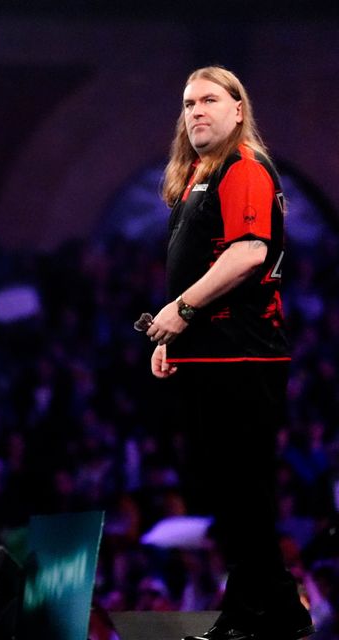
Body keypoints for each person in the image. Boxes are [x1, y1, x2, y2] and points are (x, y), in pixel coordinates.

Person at [144, 66, 314, 640]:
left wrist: (181, 311)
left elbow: (247, 253)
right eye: (188, 102)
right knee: (233, 496)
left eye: (209, 100)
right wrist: (174, 337)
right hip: (211, 355)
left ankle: (254, 617)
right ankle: (277, 613)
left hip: (243, 356)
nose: (196, 111)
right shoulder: (199, 173)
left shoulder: (243, 166)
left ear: (238, 110)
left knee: (244, 494)